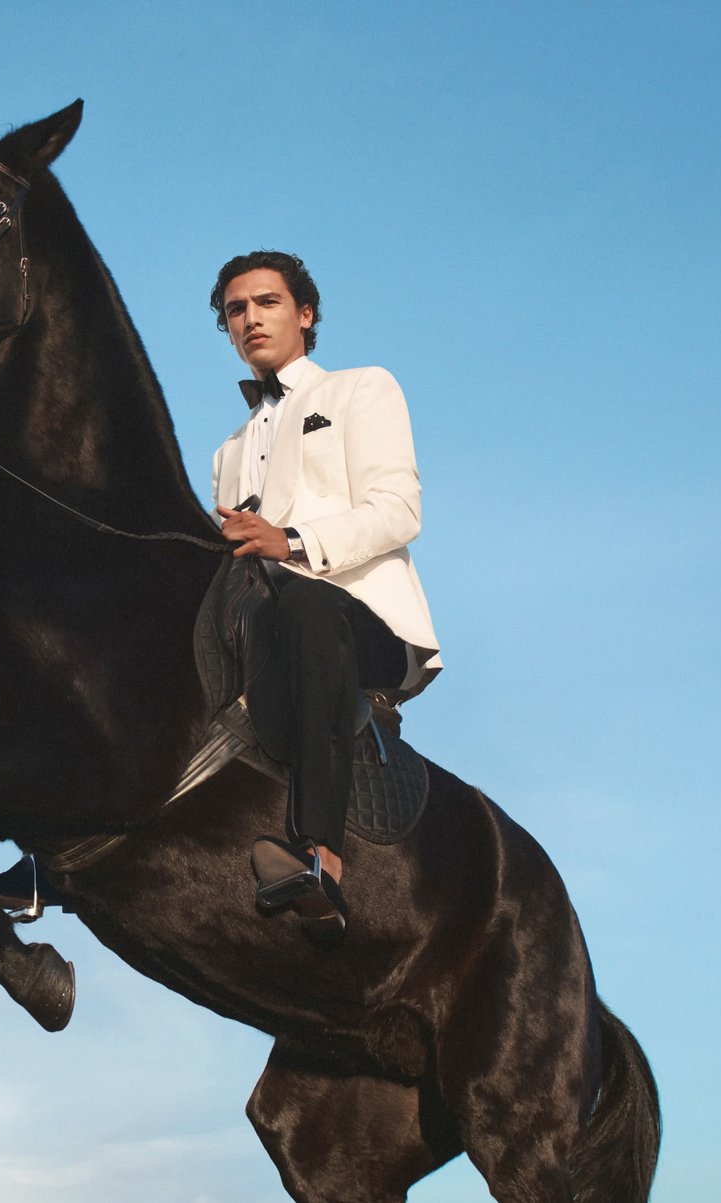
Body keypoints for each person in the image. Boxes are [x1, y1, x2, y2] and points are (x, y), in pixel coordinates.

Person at [209, 250, 441, 942]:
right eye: (235, 309)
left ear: (305, 315)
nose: (250, 318)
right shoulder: (226, 451)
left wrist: (294, 541)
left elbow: (399, 510)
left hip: (359, 617)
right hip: (264, 622)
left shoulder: (361, 389)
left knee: (308, 602)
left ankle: (320, 857)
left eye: (267, 302)